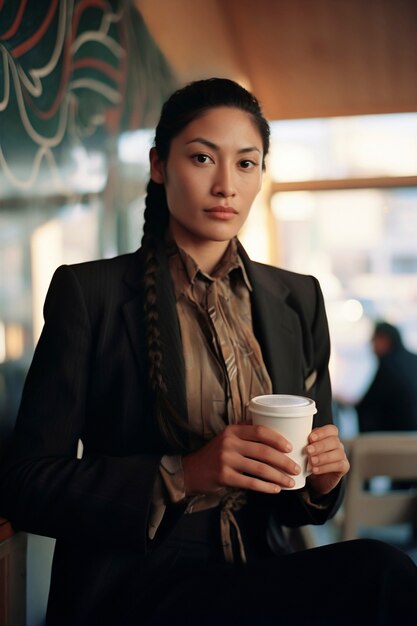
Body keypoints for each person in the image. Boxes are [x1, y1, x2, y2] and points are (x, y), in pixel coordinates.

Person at [0, 78, 416, 626]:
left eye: (247, 164)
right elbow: (29, 482)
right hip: (139, 583)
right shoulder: (90, 292)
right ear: (158, 165)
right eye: (202, 158)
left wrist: (322, 480)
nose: (226, 185)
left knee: (385, 574)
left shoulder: (298, 298)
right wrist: (183, 473)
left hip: (260, 564)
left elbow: (308, 499)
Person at [356, 321, 417, 433]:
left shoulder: (389, 366)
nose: (371, 344)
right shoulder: (413, 359)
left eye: (374, 339)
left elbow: (370, 405)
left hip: (392, 440)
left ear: (384, 340)